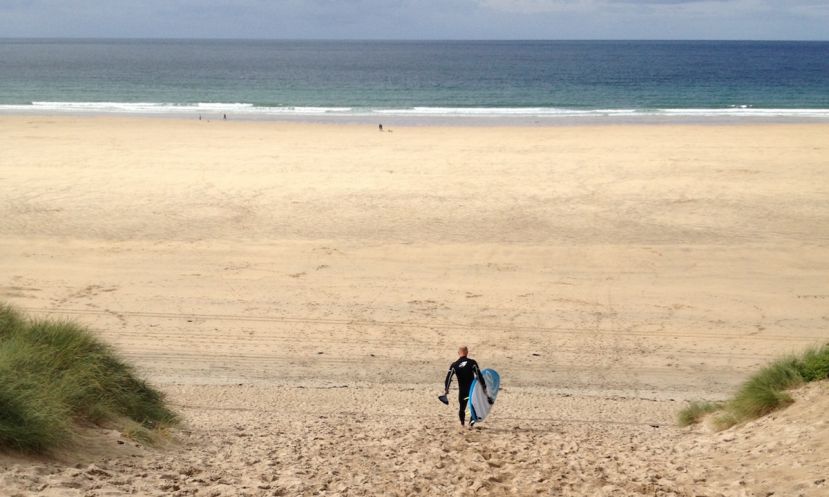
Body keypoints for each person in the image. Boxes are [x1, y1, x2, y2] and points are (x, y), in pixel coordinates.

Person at [443, 346, 492, 427]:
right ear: (467, 352)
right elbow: (479, 375)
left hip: (462, 391)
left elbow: (448, 378)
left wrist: (446, 390)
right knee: (473, 408)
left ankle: (462, 425)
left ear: (458, 353)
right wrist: (484, 386)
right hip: (472, 391)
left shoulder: (454, 365)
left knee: (462, 408)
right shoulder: (472, 362)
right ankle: (471, 424)